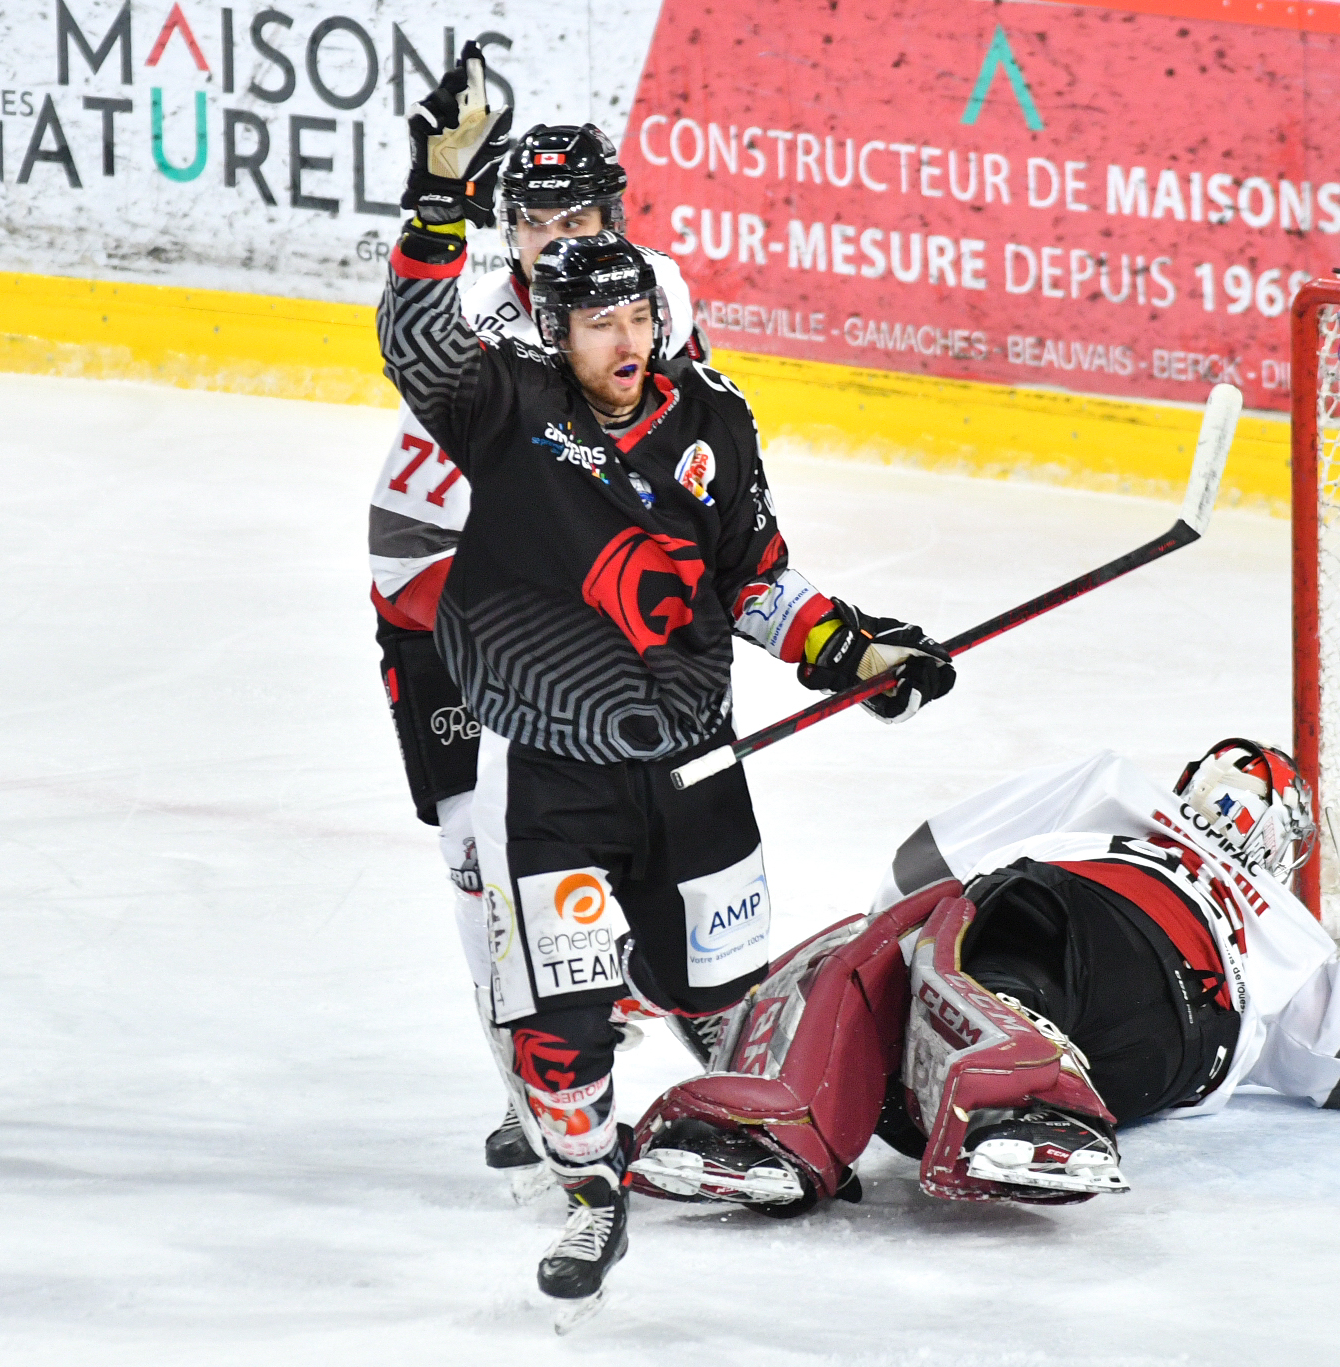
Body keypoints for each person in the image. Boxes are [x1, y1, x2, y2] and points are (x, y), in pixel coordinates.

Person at [376, 49, 957, 1308]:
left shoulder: (709, 417)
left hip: (683, 738)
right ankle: (577, 1168)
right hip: (523, 718)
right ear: (548, 323)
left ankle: (701, 1080)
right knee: (536, 969)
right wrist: (433, 190)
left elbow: (750, 571)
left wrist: (847, 645)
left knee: (719, 987)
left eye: (639, 315)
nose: (628, 338)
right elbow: (414, 338)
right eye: (599, 318)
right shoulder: (500, 391)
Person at [627, 740, 1340, 1212]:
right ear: (1283, 844)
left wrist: (898, 932)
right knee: (939, 960)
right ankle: (928, 1111)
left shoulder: (1114, 796)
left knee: (874, 947)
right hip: (1169, 1042)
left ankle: (793, 1088)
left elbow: (918, 866)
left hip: (1052, 920)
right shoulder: (1286, 930)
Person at [369, 119, 704, 1177]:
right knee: (481, 861)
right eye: (535, 221)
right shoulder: (481, 321)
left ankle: (607, 992)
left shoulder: (656, 295)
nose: (558, 239)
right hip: (436, 585)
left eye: (581, 217)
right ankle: (538, 1082)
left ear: (617, 215)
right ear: (500, 229)